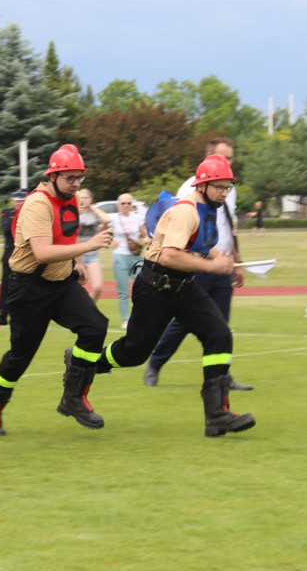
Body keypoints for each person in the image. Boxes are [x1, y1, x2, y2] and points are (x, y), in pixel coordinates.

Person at [90, 154, 254, 437]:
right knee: (133, 353)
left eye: (228, 188)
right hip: (156, 286)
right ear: (202, 185)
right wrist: (213, 266)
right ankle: (85, 364)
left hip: (183, 286)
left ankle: (217, 415)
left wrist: (221, 258)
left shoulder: (207, 209)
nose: (224, 193)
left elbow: (201, 243)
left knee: (219, 334)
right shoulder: (186, 211)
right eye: (219, 187)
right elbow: (168, 256)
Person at [0, 144, 114, 435]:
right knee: (20, 356)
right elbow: (42, 252)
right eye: (70, 178)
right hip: (29, 288)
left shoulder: (72, 199)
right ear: (53, 176)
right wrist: (89, 247)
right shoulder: (38, 203)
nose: (76, 184)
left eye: (79, 178)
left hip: (61, 284)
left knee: (95, 326)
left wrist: (78, 261)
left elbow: (68, 234)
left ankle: (73, 398)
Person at [143, 138, 252, 391]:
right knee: (183, 323)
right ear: (208, 157)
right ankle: (155, 364)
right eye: (224, 158)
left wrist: (237, 260)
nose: (229, 163)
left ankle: (221, 377)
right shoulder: (189, 190)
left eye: (231, 158)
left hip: (222, 264)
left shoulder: (227, 189)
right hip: (197, 265)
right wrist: (210, 262)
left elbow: (228, 226)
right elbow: (180, 235)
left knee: (221, 326)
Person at [109, 193, 148, 329]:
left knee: (143, 286)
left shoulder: (137, 218)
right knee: (123, 290)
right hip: (120, 256)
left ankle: (141, 316)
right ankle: (126, 319)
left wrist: (142, 242)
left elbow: (146, 236)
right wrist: (111, 241)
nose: (126, 206)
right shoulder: (113, 219)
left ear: (132, 205)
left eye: (128, 203)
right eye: (123, 203)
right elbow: (104, 232)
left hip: (135, 257)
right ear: (118, 205)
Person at [0, 189, 26, 324]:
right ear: (12, 201)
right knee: (6, 285)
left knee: (24, 285)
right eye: (17, 200)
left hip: (24, 255)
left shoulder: (29, 213)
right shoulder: (7, 213)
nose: (19, 203)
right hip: (9, 255)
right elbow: (6, 228)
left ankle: (22, 313)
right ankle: (3, 314)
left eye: (22, 200)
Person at [77, 188, 111, 303]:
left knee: (97, 287)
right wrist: (77, 211)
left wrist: (92, 207)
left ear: (91, 199)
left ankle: (89, 308)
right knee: (76, 289)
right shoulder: (74, 212)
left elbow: (107, 220)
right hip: (77, 256)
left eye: (85, 197)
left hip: (92, 255)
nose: (83, 200)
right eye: (80, 197)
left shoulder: (94, 213)